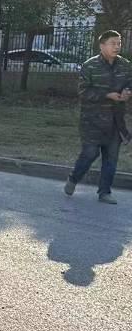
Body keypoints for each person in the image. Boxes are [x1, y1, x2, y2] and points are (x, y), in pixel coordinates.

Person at [64, 30, 132, 204]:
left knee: (111, 158)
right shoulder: (90, 66)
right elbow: (83, 91)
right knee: (90, 153)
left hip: (115, 121)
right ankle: (73, 178)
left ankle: (104, 192)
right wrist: (107, 95)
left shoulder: (125, 65)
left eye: (119, 43)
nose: (117, 46)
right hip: (92, 121)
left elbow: (130, 83)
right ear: (102, 45)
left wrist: (127, 92)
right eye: (113, 43)